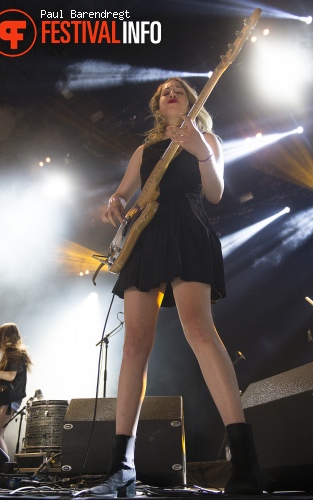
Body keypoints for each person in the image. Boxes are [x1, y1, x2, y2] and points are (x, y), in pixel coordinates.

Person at [89, 78, 262, 496]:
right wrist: (113, 201)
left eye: (179, 90)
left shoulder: (207, 138)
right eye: (165, 91)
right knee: (134, 345)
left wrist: (201, 149)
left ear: (190, 101)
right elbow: (124, 193)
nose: (171, 93)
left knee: (200, 332)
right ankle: (121, 466)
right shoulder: (143, 151)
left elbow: (215, 193)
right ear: (156, 103)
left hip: (187, 228)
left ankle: (245, 461)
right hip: (145, 237)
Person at [0, 323, 32, 456]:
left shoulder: (15, 353)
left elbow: (11, 376)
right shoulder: (11, 354)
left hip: (9, 399)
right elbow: (5, 376)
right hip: (2, 398)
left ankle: (5, 467)